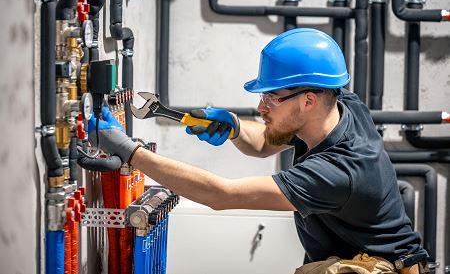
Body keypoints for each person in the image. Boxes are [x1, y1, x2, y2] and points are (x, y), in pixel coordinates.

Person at [89, 28, 428, 274]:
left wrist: (131, 152)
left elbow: (222, 195)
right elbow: (266, 141)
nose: (261, 106)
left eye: (271, 97)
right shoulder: (340, 106)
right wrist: (235, 128)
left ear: (308, 100)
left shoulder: (339, 172)